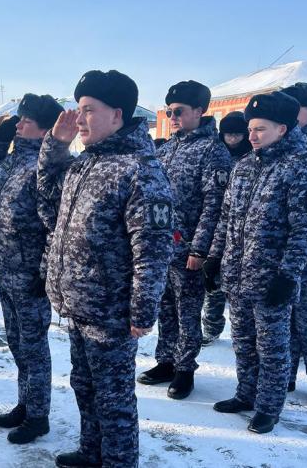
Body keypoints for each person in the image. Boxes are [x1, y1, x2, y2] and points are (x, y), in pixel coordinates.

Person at [38, 70, 173, 468]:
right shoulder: (85, 165)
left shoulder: (139, 170)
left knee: (114, 402)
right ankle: (91, 451)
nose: (78, 119)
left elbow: (152, 248)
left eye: (87, 110)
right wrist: (55, 146)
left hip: (112, 313)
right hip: (80, 306)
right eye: (78, 109)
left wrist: (142, 311)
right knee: (84, 385)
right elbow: (47, 202)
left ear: (117, 115)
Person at [203, 91, 307, 433]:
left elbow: (306, 229)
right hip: (237, 276)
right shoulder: (244, 167)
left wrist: (288, 274)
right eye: (250, 128)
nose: (251, 135)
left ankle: (269, 406)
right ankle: (246, 393)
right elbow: (225, 217)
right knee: (244, 342)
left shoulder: (301, 167)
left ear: (282, 129)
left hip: (271, 278)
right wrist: (213, 257)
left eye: (260, 129)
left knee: (273, 348)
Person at [137, 80, 231, 400]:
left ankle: (185, 368)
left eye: (178, 111)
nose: (172, 117)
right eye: (168, 111)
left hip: (188, 248)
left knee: (187, 310)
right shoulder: (166, 149)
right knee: (165, 308)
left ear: (199, 111)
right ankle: (165, 361)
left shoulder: (213, 151)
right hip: (161, 247)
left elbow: (214, 206)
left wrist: (200, 248)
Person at [0, 93, 63, 445]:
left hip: (29, 273)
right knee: (16, 344)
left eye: (26, 120)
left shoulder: (45, 168)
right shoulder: (12, 163)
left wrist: (43, 274)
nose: (19, 124)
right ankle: (24, 404)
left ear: (44, 130)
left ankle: (39, 416)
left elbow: (53, 227)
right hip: (7, 267)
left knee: (34, 348)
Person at [201, 111, 252, 345]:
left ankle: (245, 332)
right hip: (218, 226)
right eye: (228, 134)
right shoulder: (215, 154)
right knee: (214, 284)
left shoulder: (251, 157)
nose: (232, 139)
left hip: (242, 229)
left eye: (237, 135)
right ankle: (211, 326)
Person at [280, 82, 307, 393]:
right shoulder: (285, 141)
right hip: (285, 249)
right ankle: (285, 378)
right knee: (287, 319)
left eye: (294, 105)